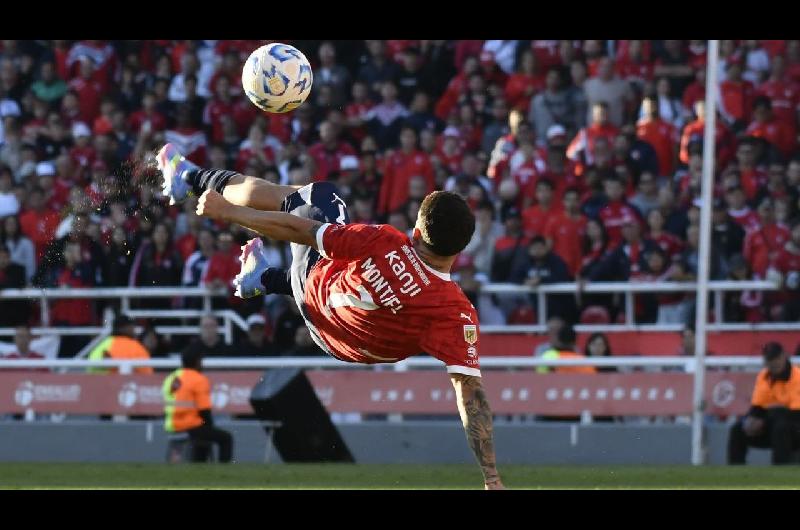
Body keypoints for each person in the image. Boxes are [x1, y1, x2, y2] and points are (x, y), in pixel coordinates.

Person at [156, 142, 503, 489]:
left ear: (416, 231)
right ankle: (264, 278)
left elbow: (300, 230)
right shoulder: (455, 313)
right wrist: (491, 477)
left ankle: (191, 178)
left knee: (315, 195)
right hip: (342, 344)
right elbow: (471, 395)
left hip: (315, 291)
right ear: (461, 249)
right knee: (346, 270)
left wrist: (230, 212)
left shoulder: (385, 241)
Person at [728, 342, 800, 465]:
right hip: (771, 423)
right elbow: (758, 406)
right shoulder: (763, 376)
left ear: (784, 356)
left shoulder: (797, 376)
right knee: (738, 429)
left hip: (795, 427)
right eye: (769, 359)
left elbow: (794, 413)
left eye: (776, 358)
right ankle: (735, 470)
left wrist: (765, 417)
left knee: (781, 427)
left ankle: (780, 470)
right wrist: (750, 420)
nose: (773, 363)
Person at [162, 349, 233, 463]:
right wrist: (210, 426)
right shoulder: (198, 379)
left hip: (172, 426)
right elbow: (204, 411)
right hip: (190, 426)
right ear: (197, 361)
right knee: (226, 438)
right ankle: (220, 468)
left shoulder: (170, 378)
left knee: (204, 432)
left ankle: (198, 464)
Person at [87, 315, 153, 375]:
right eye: (132, 326)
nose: (134, 330)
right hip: (129, 383)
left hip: (99, 382)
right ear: (127, 327)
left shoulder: (103, 345)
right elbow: (147, 374)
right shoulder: (137, 347)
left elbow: (91, 368)